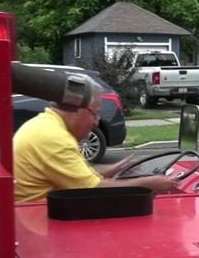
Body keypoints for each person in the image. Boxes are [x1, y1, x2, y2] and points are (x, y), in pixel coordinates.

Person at [13, 76, 175, 202]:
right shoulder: (54, 138)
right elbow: (91, 190)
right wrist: (148, 184)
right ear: (79, 110)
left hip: (38, 212)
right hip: (37, 218)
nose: (96, 122)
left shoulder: (46, 125)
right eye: (95, 114)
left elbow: (79, 177)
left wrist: (114, 169)